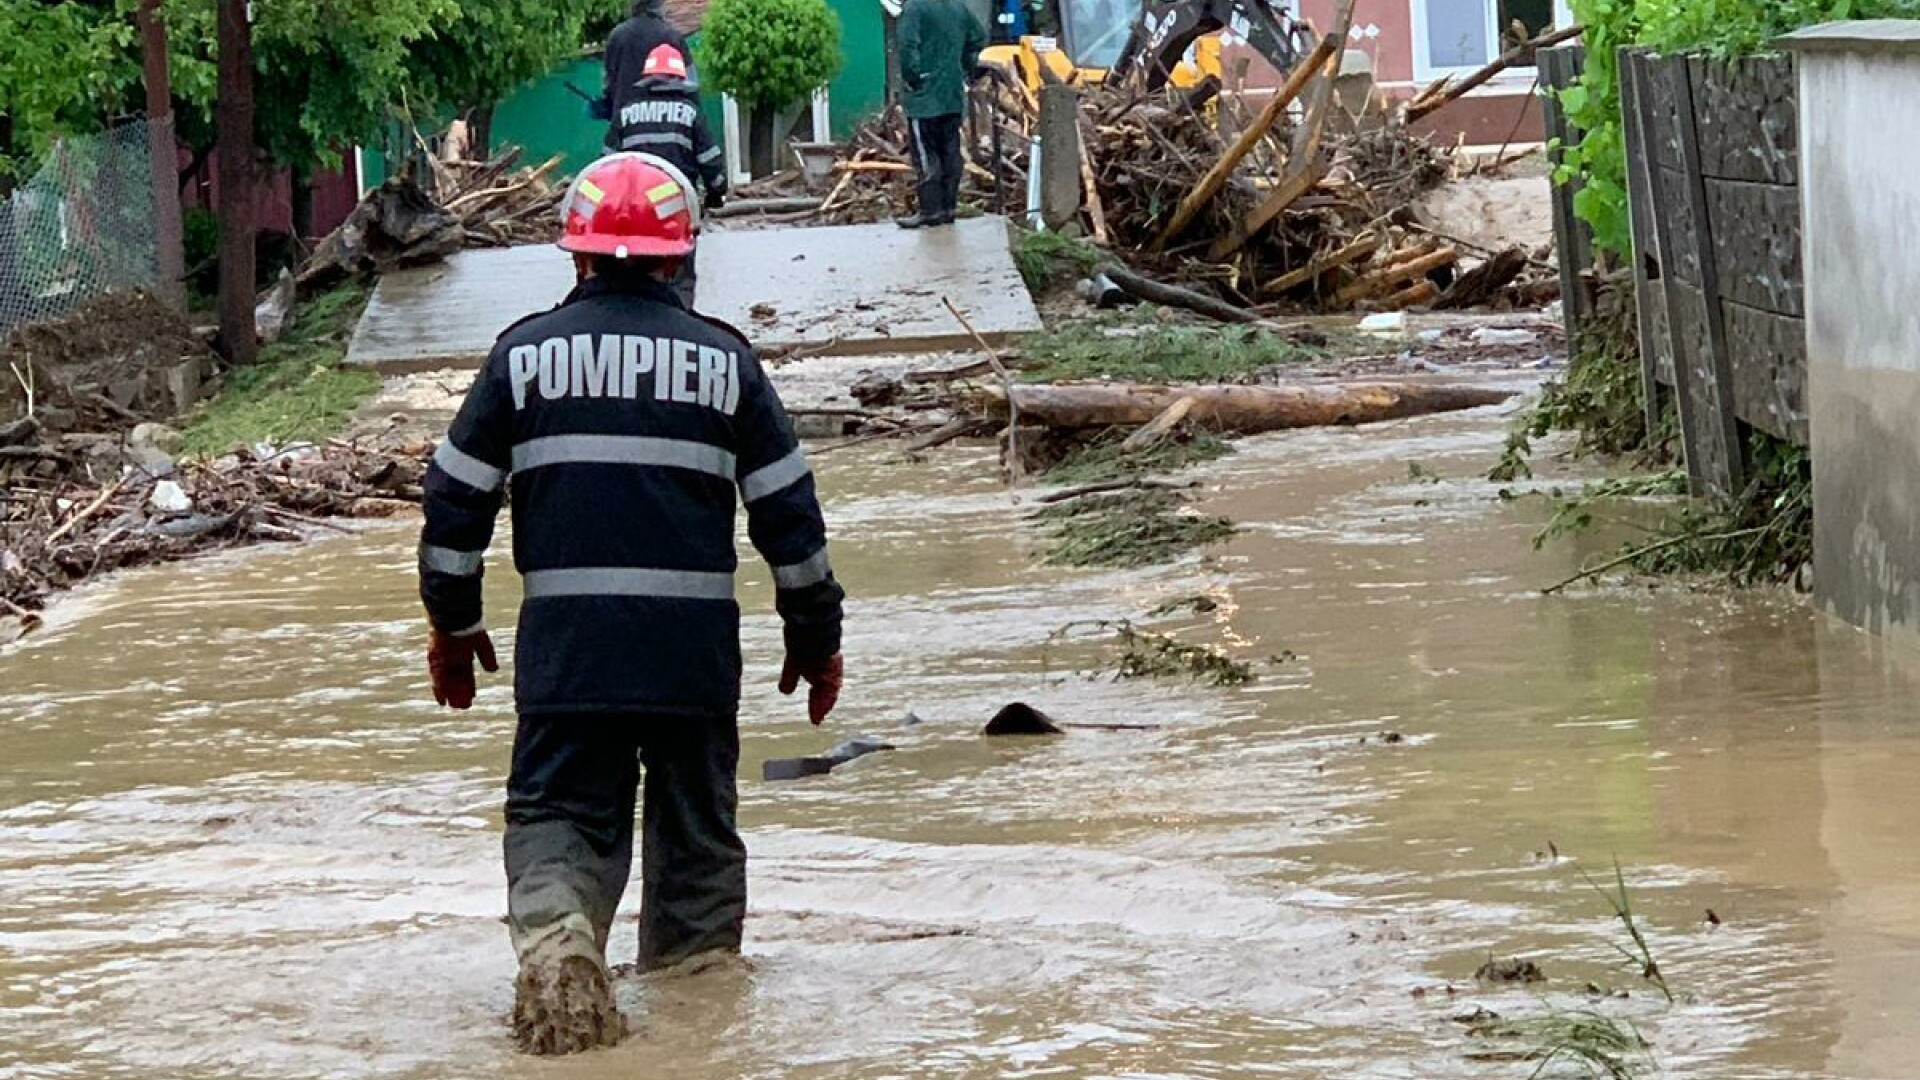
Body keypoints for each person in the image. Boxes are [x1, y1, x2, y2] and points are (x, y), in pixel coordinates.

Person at [417, 153, 846, 1056]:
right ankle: (695, 1031)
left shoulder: (521, 357)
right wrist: (815, 639)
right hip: (692, 666)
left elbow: (454, 504)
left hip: (569, 659)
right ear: (680, 255)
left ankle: (559, 938)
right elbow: (791, 521)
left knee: (556, 819)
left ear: (576, 255)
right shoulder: (727, 363)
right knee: (696, 850)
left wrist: (454, 625)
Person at [610, 45, 729, 306]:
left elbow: (608, 163)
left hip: (634, 210)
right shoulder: (690, 113)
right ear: (679, 78)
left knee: (629, 271)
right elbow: (710, 161)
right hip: (677, 208)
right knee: (679, 272)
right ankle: (679, 318)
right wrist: (717, 192)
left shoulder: (625, 113)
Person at [896, 0, 987, 229]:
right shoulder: (958, 6)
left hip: (924, 97)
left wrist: (913, 78)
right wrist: (964, 66)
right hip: (952, 93)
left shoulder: (914, 7)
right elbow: (978, 38)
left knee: (925, 154)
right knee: (950, 150)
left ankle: (930, 210)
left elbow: (907, 46)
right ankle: (948, 208)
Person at [604, 0, 695, 122]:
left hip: (627, 120)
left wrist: (607, 106)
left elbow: (609, 83)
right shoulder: (671, 36)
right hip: (668, 120)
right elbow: (690, 85)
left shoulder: (617, 36)